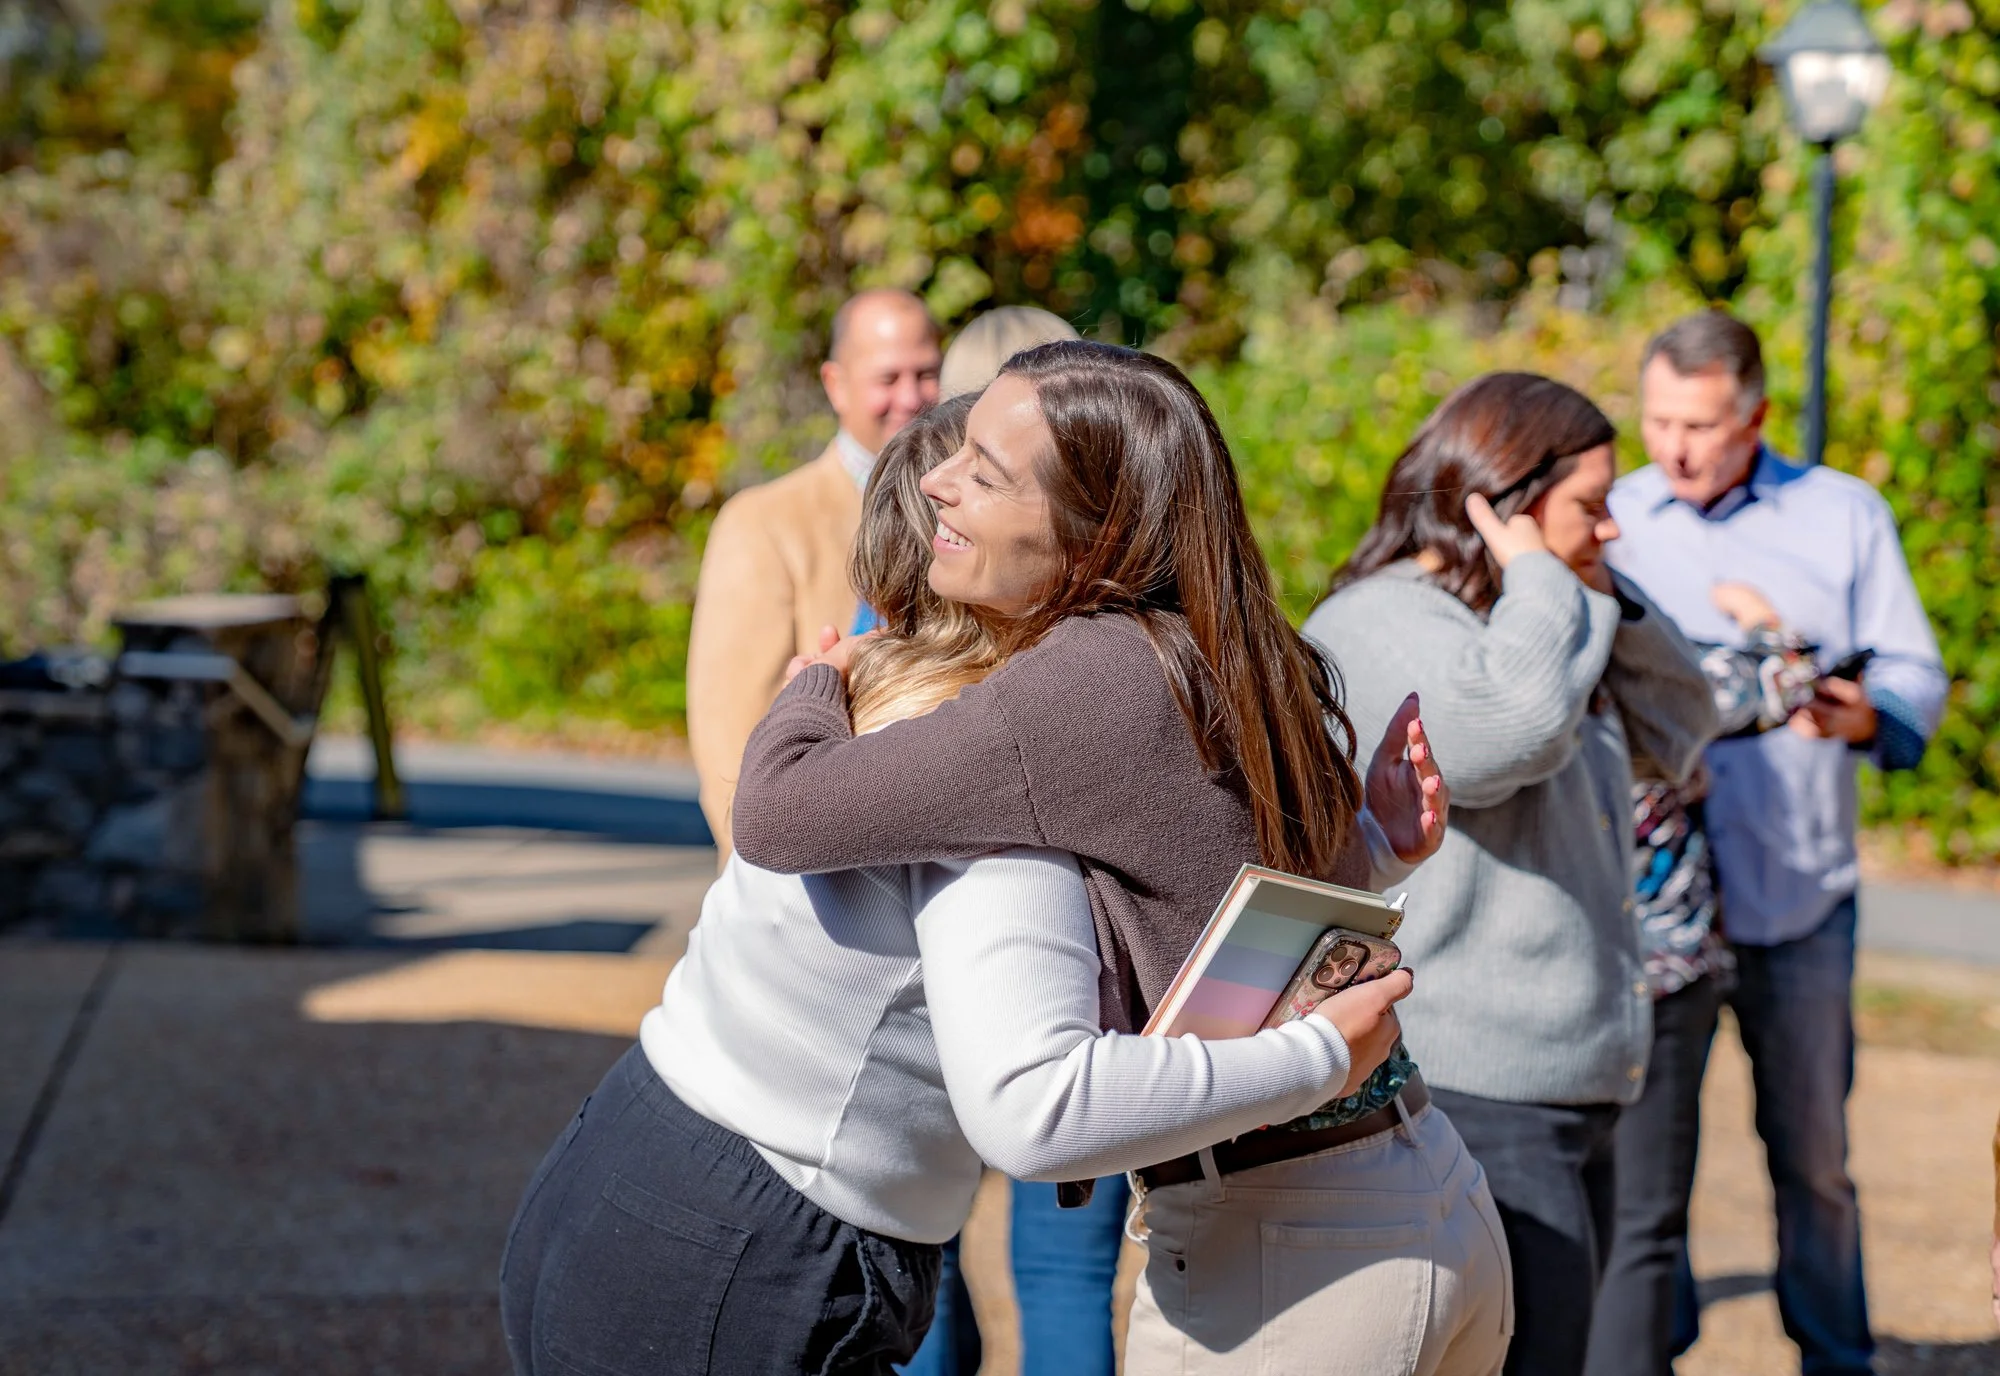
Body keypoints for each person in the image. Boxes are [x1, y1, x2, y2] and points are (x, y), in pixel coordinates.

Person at [500, 393, 1418, 1376]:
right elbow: (1038, 1107)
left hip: (634, 1160)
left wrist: (1371, 845)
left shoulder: (885, 704)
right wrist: (1318, 1055)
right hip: (748, 1246)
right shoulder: (988, 788)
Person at [732, 340, 1510, 1376]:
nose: (933, 479)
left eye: (985, 473)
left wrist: (822, 679)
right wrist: (1369, 846)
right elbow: (1233, 902)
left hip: (1289, 1259)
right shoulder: (1228, 638)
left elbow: (779, 813)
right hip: (1430, 1198)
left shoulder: (1080, 685)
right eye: (955, 448)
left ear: (1093, 533)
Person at [1303, 372, 1720, 1376]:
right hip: (1472, 1083)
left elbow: (1682, 724)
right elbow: (1506, 731)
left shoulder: (1535, 619)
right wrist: (1542, 578)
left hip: (1568, 1076)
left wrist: (1591, 589)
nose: (1611, 528)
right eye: (1591, 504)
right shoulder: (1380, 618)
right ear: (1500, 505)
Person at [1604, 311, 1949, 1376]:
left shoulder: (1840, 514)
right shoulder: (1610, 515)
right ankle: (1641, 1349)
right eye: (1658, 419)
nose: (1674, 445)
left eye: (1699, 424)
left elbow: (1911, 674)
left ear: (1752, 415)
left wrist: (1858, 715)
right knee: (1643, 1171)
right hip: (1652, 917)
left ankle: (1832, 1354)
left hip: (1795, 898)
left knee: (1813, 1163)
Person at [901, 302, 1101, 1376]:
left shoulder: (912, 600)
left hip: (934, 988)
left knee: (921, 1261)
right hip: (1087, 976)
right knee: (1066, 1273)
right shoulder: (1119, 628)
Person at [1585, 579, 1820, 1376]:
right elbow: (1783, 677)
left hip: (1543, 974)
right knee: (1643, 1220)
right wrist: (1761, 617)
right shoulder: (1650, 670)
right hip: (1663, 971)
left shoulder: (1504, 665)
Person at [686, 287, 941, 856]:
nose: (911, 397)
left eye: (926, 374)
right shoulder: (764, 523)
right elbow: (729, 733)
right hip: (813, 876)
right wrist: (759, 881)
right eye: (888, 378)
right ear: (835, 384)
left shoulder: (963, 508)